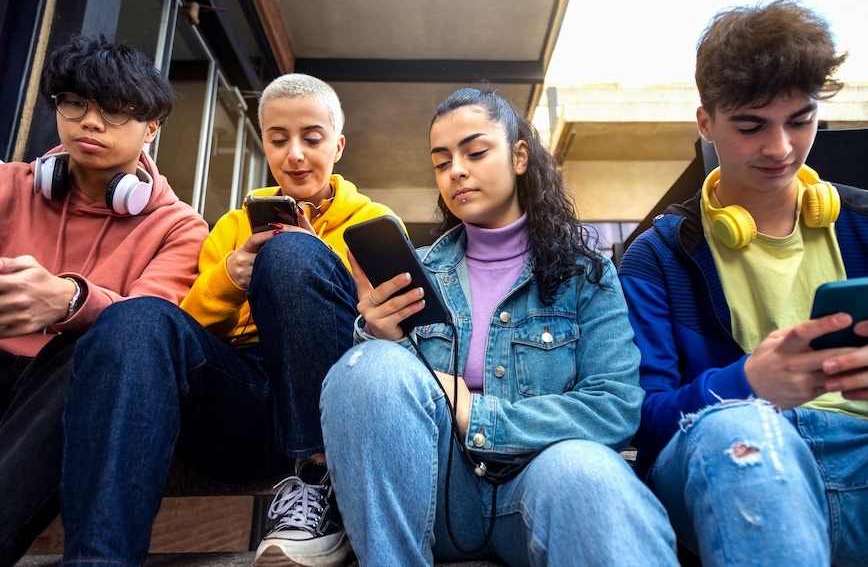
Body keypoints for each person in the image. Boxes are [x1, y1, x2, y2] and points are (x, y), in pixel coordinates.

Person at [319, 88, 678, 566]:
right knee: (365, 366)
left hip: (540, 484)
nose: (456, 171)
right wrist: (380, 338)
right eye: (441, 161)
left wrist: (477, 413)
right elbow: (386, 415)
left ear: (520, 156)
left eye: (475, 151)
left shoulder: (585, 275)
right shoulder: (416, 273)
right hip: (435, 496)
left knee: (590, 471)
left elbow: (613, 408)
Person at [60, 73, 397, 566]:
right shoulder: (231, 227)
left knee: (291, 253)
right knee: (136, 318)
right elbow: (189, 331)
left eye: (312, 138)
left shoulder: (374, 223)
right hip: (238, 398)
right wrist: (232, 276)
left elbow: (388, 332)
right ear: (264, 144)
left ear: (339, 145)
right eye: (279, 140)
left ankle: (318, 483)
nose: (295, 155)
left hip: (329, 399)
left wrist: (305, 261)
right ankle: (97, 558)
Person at [618, 0, 868, 566]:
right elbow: (642, 426)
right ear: (705, 122)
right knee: (737, 430)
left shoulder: (864, 226)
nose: (780, 148)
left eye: (801, 120)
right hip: (736, 453)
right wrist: (747, 383)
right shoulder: (656, 259)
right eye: (751, 126)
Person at [0, 34, 208, 565]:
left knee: (91, 345)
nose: (90, 122)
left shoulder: (180, 228)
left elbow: (144, 335)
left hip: (69, 390)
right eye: (75, 103)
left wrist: (72, 302)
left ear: (151, 130)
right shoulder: (6, 186)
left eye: (115, 111)